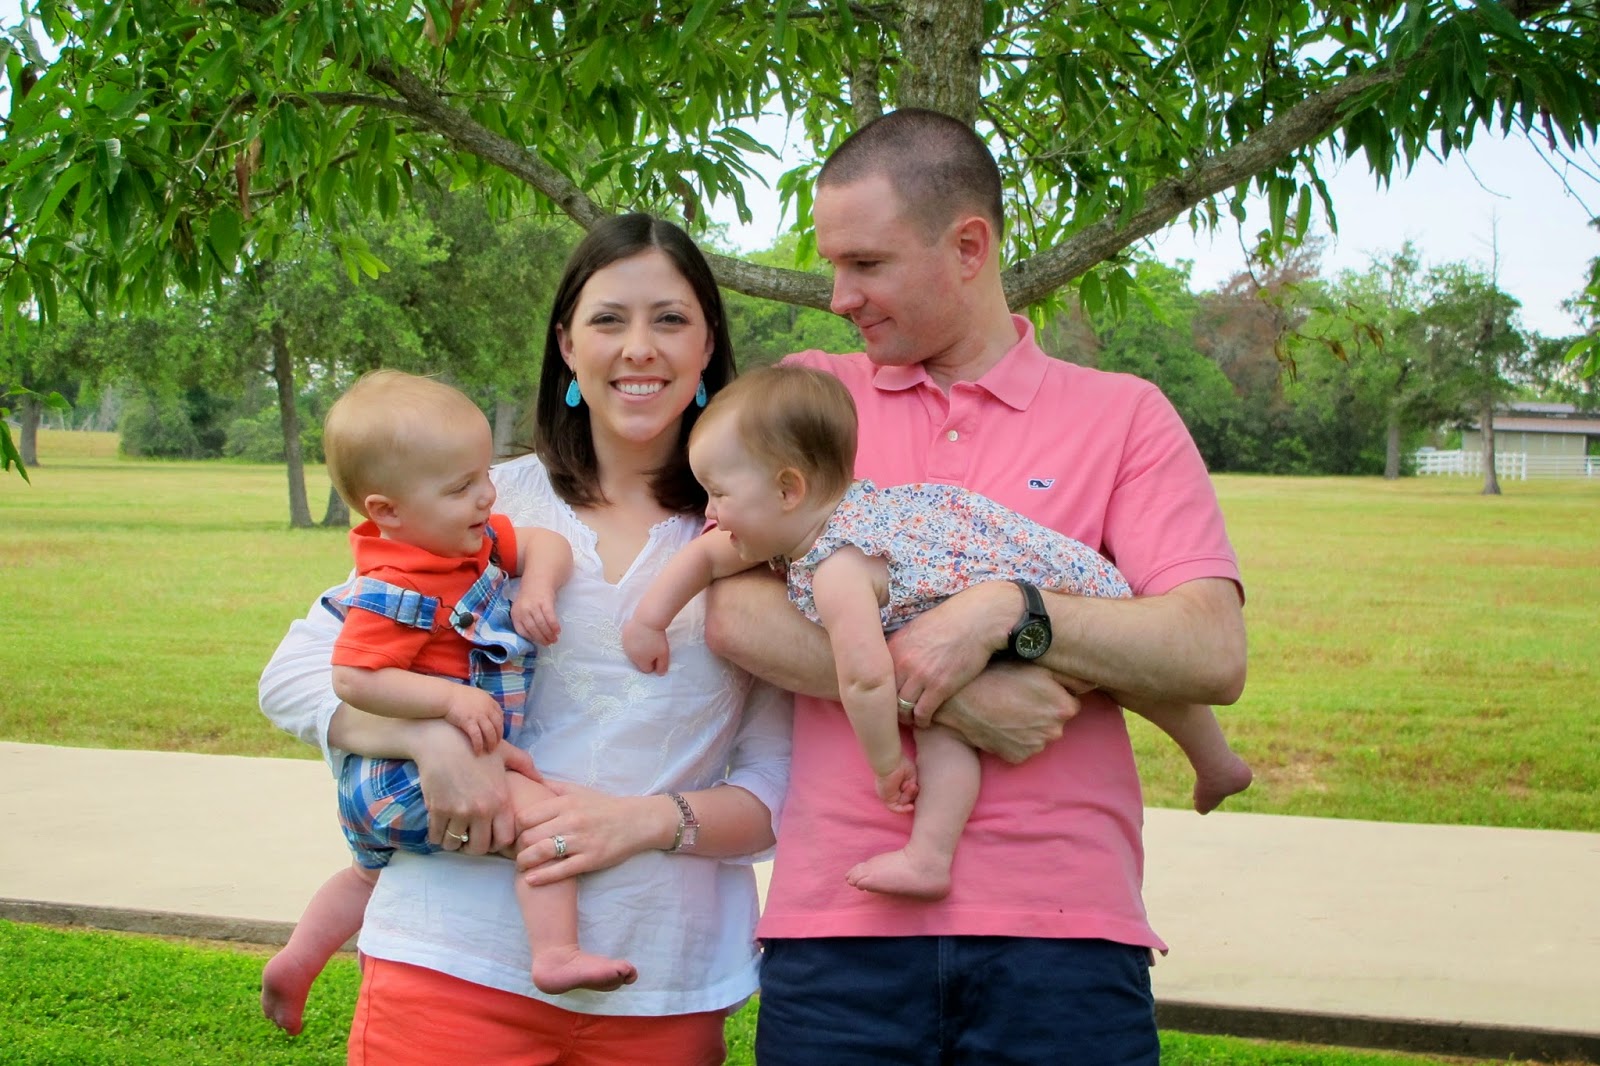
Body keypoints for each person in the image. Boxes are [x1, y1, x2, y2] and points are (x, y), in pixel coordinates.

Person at [702, 110, 1248, 1064]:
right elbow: (732, 608)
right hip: (841, 929)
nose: (839, 296)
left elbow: (1210, 650)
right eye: (834, 265)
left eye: (866, 264)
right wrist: (948, 696)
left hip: (1065, 937)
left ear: (968, 247)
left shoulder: (1123, 414)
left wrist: (1009, 614)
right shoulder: (808, 396)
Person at [258, 213, 790, 1066]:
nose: (639, 347)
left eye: (670, 319)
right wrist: (428, 738)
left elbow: (777, 789)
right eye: (608, 320)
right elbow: (296, 672)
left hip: (663, 984)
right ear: (567, 346)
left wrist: (645, 822)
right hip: (451, 962)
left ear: (708, 345)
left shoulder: (759, 539)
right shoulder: (480, 502)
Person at [623, 364, 1250, 900]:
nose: (709, 514)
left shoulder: (838, 569)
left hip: (1026, 601)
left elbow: (867, 678)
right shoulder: (797, 524)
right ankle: (1216, 759)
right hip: (1023, 578)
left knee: (939, 723)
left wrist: (886, 762)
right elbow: (706, 558)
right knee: (993, 702)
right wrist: (651, 618)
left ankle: (929, 854)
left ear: (788, 488)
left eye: (718, 495)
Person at [261, 369, 637, 1039]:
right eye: (461, 487)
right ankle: (555, 954)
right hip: (405, 775)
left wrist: (535, 589)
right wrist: (446, 703)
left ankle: (295, 961)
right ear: (388, 511)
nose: (486, 495)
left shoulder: (464, 543)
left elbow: (545, 543)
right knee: (548, 828)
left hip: (394, 783)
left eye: (484, 475)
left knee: (365, 876)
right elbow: (355, 679)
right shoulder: (392, 586)